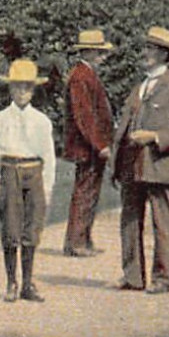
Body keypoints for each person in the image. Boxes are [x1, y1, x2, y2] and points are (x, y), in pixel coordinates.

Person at [112, 26, 169, 295]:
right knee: (129, 222)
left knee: (163, 225)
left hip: (161, 166)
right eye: (145, 47)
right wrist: (116, 164)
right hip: (132, 166)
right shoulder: (139, 87)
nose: (145, 53)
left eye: (151, 49)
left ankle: (162, 279)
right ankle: (133, 276)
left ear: (164, 54)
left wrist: (154, 136)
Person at [0, 58, 57, 302]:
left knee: (31, 229)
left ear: (34, 90)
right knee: (10, 229)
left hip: (33, 172)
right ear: (10, 89)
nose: (22, 92)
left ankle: (27, 282)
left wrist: (46, 188)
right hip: (10, 172)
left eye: (27, 87)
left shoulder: (42, 121)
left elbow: (49, 157)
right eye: (17, 87)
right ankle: (11, 282)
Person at [62, 28, 115, 257]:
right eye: (100, 52)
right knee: (85, 192)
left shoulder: (87, 74)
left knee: (91, 192)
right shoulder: (80, 76)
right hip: (87, 147)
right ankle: (76, 243)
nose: (103, 57)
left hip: (91, 146)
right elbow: (84, 116)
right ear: (90, 52)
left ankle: (84, 238)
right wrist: (100, 144)